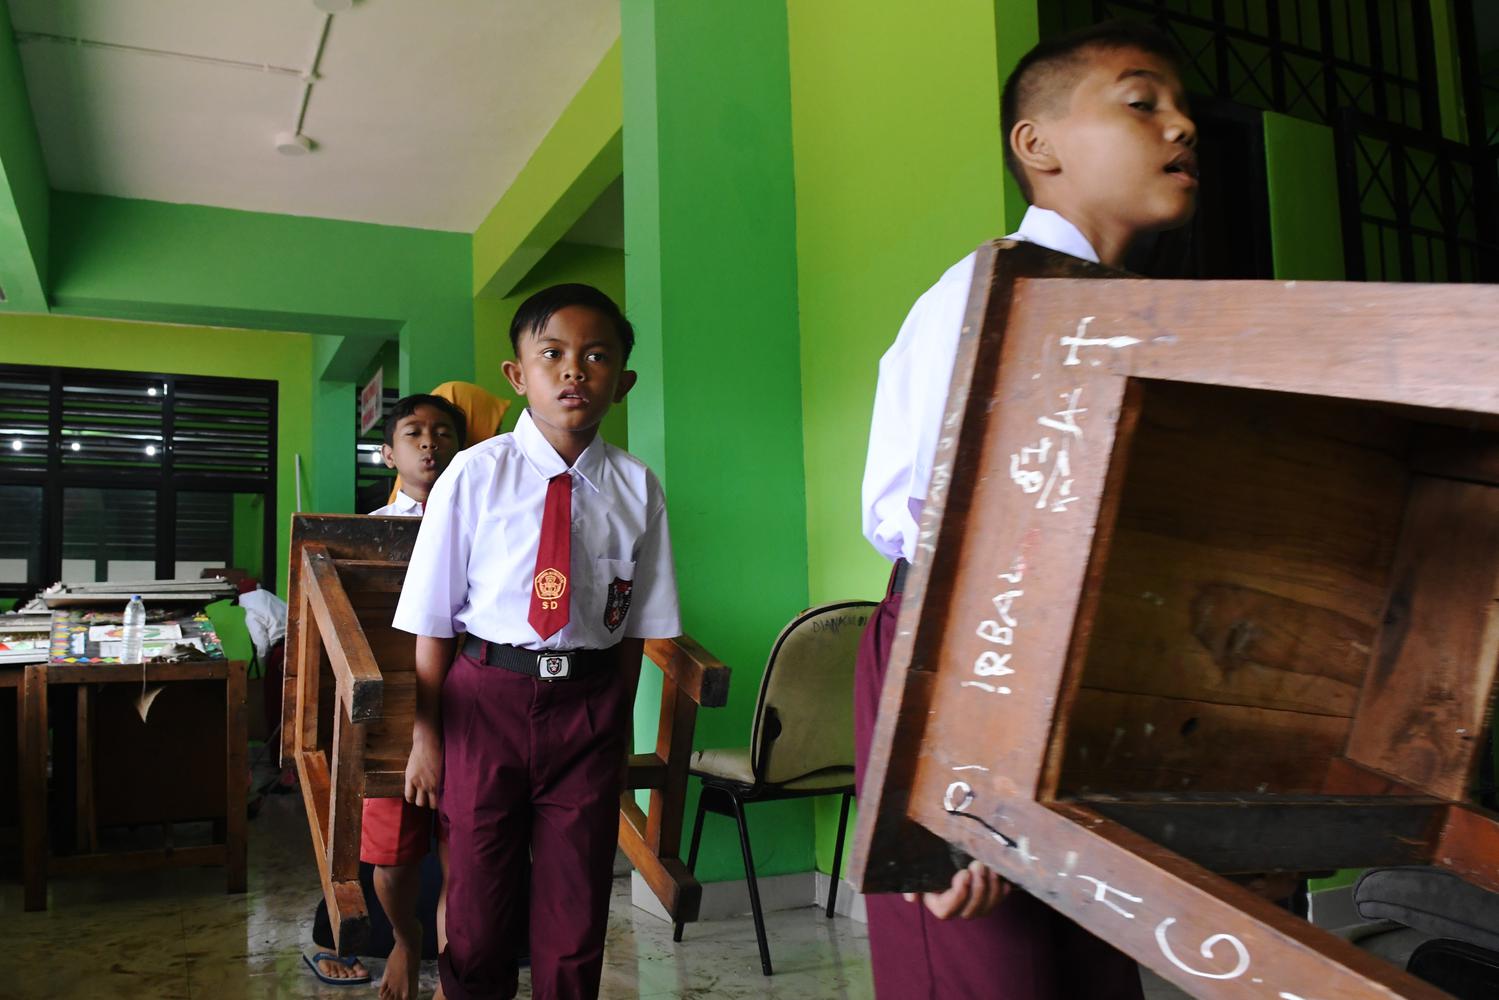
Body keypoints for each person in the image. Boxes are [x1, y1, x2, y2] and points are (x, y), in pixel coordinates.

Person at [856, 19, 1198, 999]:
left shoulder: (1135, 319)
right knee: (989, 978)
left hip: (1069, 691)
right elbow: (949, 547)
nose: (1179, 125)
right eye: (1140, 102)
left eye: (1178, 108)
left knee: (1090, 976)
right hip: (962, 671)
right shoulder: (988, 295)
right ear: (1036, 146)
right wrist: (958, 790)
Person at [394, 283, 680, 1000]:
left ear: (624, 380)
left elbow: (632, 628)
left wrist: (614, 727)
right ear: (518, 375)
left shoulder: (637, 488)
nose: (573, 371)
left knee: (575, 909)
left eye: (596, 356)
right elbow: (433, 619)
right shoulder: (473, 473)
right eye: (552, 354)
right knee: (479, 910)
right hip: (484, 703)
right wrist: (426, 736)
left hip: (587, 708)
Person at [304, 392, 466, 1000]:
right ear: (388, 451)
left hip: (474, 713)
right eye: (415, 432)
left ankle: (455, 977)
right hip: (391, 725)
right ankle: (405, 938)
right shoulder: (361, 539)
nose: (430, 442)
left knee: (467, 866)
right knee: (393, 865)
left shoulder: (488, 530)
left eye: (444, 432)